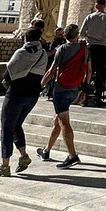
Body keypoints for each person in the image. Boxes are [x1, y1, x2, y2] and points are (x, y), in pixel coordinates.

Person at [0, 27, 47, 176]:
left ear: (26, 39)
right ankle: (23, 156)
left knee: (7, 128)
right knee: (16, 126)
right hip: (32, 96)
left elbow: (7, 74)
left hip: (16, 95)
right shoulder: (43, 53)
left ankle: (4, 165)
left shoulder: (22, 52)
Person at [37, 23, 89, 169]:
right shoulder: (84, 49)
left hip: (61, 89)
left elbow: (51, 71)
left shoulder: (62, 49)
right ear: (77, 35)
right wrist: (85, 88)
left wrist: (40, 85)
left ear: (64, 36)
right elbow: (88, 69)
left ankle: (72, 156)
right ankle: (46, 151)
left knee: (64, 122)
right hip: (75, 88)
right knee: (58, 120)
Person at [79, 0, 106, 107]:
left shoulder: (89, 17)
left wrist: (90, 36)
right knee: (100, 74)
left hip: (90, 47)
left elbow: (82, 32)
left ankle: (84, 98)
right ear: (104, 5)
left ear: (96, 5)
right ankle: (97, 99)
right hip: (102, 47)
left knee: (88, 73)